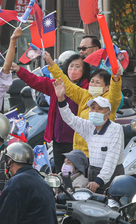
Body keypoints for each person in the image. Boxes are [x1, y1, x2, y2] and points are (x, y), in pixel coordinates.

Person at [15, 39, 88, 169]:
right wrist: (19, 70)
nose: (73, 70)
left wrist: (50, 62)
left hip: (76, 141)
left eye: (77, 67)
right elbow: (35, 81)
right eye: (71, 66)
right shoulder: (57, 83)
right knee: (59, 173)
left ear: (84, 70)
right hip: (57, 140)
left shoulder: (86, 89)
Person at [44, 50, 121, 157]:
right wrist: (51, 64)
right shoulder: (85, 95)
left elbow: (115, 93)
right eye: (92, 82)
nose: (93, 85)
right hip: (78, 153)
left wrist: (116, 79)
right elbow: (67, 84)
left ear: (107, 87)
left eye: (97, 82)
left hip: (98, 154)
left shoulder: (110, 101)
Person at [54, 81, 124, 193]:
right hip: (93, 174)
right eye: (92, 108)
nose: (94, 111)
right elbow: (70, 119)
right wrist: (61, 99)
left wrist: (99, 181)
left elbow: (111, 159)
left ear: (107, 113)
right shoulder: (89, 126)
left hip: (111, 177)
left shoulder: (115, 129)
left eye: (99, 109)